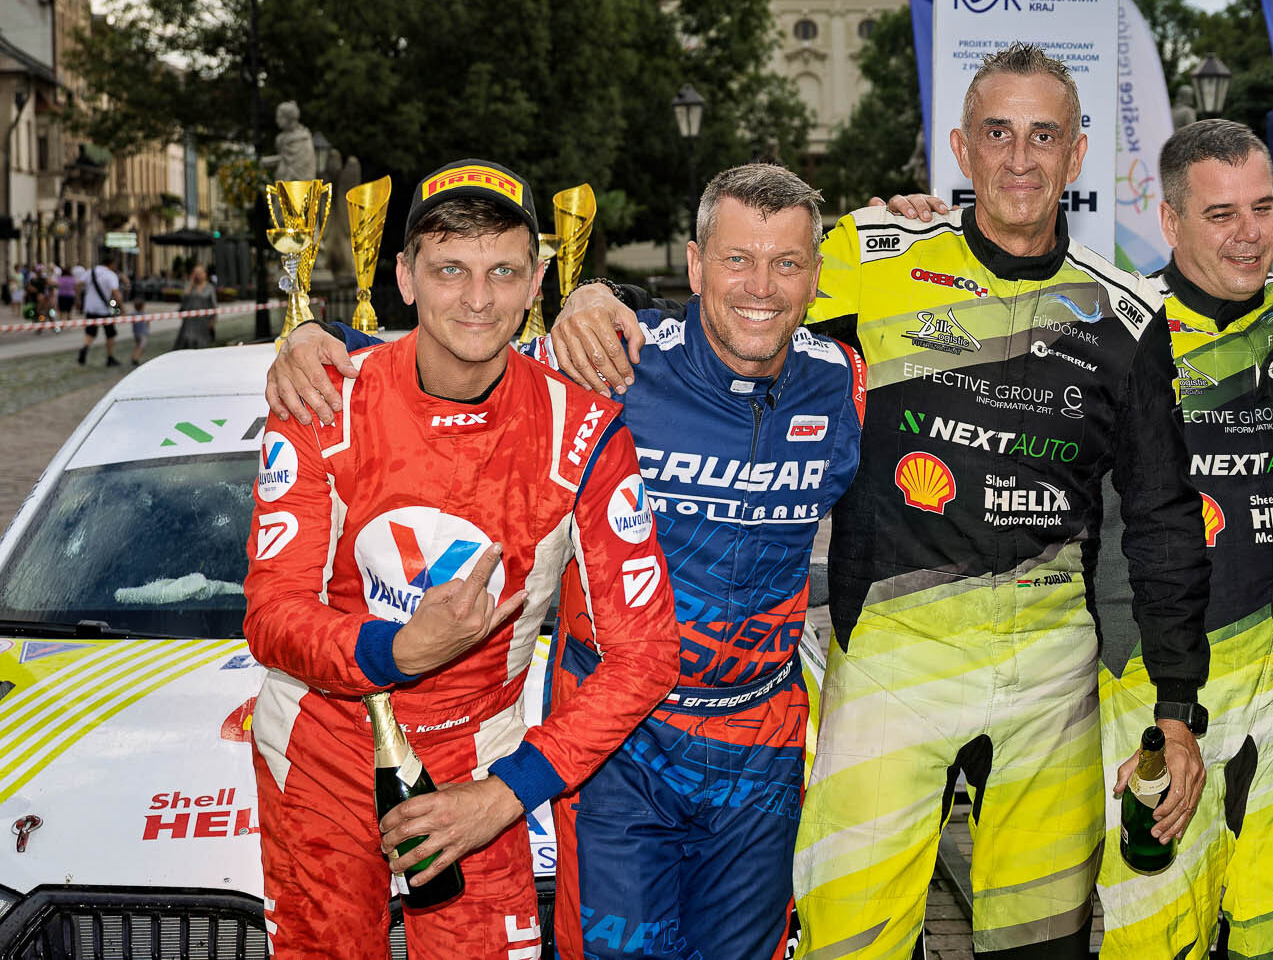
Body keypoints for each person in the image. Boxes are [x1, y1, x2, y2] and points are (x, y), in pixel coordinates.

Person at [550, 43, 1212, 960]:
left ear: (1077, 154)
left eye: (1043, 135)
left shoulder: (1127, 314)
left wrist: (1177, 703)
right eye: (997, 133)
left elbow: (1165, 518)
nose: (1020, 157)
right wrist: (596, 296)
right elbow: (740, 298)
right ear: (962, 149)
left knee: (1041, 945)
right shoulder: (875, 254)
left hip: (1049, 670)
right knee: (847, 943)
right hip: (891, 661)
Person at [264, 164, 865, 960]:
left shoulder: (846, 382)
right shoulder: (609, 362)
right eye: (736, 259)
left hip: (759, 738)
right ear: (694, 266)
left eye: (786, 262)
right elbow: (449, 354)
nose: (760, 285)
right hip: (623, 747)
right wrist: (316, 337)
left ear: (816, 278)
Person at [242, 159, 681, 958]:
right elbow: (272, 615)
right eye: (450, 268)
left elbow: (645, 654)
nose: (477, 298)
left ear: (536, 281)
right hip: (319, 752)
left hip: (476, 766)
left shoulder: (583, 428)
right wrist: (398, 650)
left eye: (502, 271)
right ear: (405, 277)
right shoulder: (324, 399)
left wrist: (507, 793)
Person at [1095, 118, 1273, 960]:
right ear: (1169, 222)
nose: (1250, 233)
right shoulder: (1121, 330)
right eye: (1221, 214)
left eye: (1263, 207)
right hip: (1159, 686)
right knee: (1155, 937)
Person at [77, 251, 121, 367]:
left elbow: (78, 284)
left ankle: (85, 348)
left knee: (90, 332)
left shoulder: (90, 272)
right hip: (104, 309)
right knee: (110, 334)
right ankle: (110, 357)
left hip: (90, 307)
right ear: (111, 264)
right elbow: (116, 293)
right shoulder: (111, 275)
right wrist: (121, 307)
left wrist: (78, 300)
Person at [176, 265, 218, 349]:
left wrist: (213, 321)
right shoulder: (189, 286)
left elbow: (214, 305)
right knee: (187, 342)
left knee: (202, 344)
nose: (198, 275)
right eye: (196, 273)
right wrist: (190, 284)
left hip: (203, 322)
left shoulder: (209, 288)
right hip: (189, 322)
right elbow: (183, 299)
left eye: (200, 273)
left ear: (204, 274)